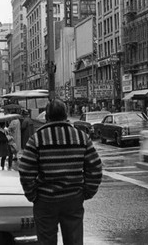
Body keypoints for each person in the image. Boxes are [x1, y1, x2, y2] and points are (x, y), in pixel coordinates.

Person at [19, 99, 103, 245]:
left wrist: (33, 195)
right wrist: (87, 192)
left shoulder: (37, 139)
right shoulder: (81, 137)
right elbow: (95, 167)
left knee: (46, 241)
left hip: (45, 200)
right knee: (74, 240)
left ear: (47, 117)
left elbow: (26, 171)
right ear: (66, 115)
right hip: (73, 198)